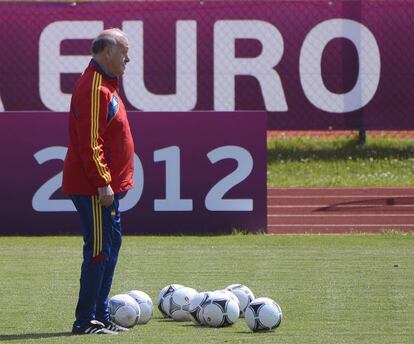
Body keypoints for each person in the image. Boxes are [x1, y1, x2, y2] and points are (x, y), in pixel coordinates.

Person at [62, 28, 134, 335]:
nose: (128, 58)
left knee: (110, 245)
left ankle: (101, 315)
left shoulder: (106, 84)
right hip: (94, 188)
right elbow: (90, 142)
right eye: (124, 52)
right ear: (107, 53)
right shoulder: (94, 87)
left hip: (105, 187)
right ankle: (85, 320)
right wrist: (103, 182)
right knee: (98, 250)